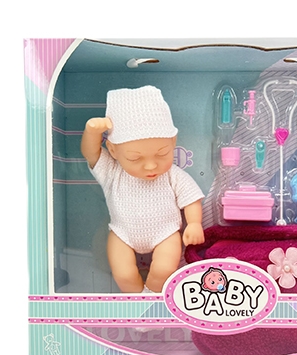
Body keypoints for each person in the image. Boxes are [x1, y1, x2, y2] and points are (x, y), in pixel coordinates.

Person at [81, 86, 205, 293]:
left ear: (173, 142)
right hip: (122, 233)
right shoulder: (112, 171)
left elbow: (191, 198)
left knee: (165, 269)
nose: (150, 165)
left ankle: (153, 297)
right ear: (113, 150)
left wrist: (194, 223)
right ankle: (136, 303)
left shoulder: (172, 175)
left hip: (166, 233)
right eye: (135, 158)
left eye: (162, 154)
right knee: (124, 274)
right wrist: (92, 133)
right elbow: (91, 153)